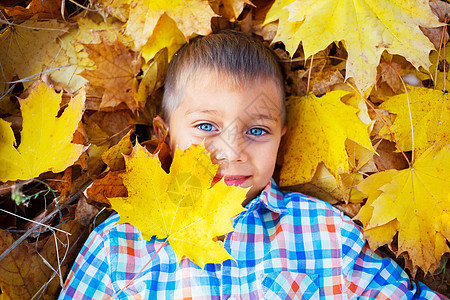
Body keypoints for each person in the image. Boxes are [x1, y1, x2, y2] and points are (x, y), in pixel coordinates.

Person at [59, 31, 443, 299]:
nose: (232, 150)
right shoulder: (120, 244)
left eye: (257, 130)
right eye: (206, 126)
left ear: (282, 137)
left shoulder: (325, 232)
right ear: (166, 135)